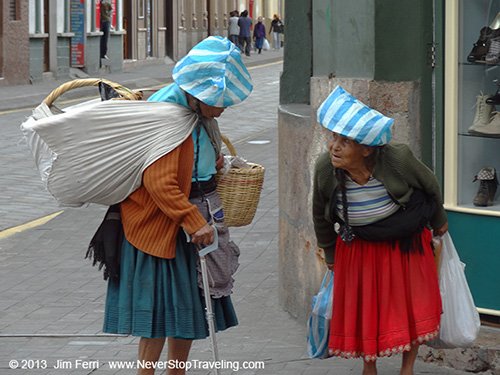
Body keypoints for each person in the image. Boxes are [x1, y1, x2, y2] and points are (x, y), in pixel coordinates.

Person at [103, 36, 253, 375]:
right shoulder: (167, 114)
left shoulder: (198, 113)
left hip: (190, 220)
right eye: (222, 101)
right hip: (163, 228)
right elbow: (160, 182)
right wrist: (193, 221)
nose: (225, 108)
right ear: (202, 94)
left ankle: (176, 372)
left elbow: (193, 158)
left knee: (187, 308)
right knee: (158, 313)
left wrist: (212, 163)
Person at [312, 86, 448, 375]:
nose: (334, 147)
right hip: (359, 246)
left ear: (366, 149)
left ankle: (407, 368)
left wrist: (439, 221)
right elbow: (320, 213)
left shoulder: (397, 158)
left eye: (344, 141)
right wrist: (330, 252)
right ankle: (369, 366)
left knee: (413, 306)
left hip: (405, 243)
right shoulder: (326, 168)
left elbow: (430, 185)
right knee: (367, 309)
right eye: (334, 138)